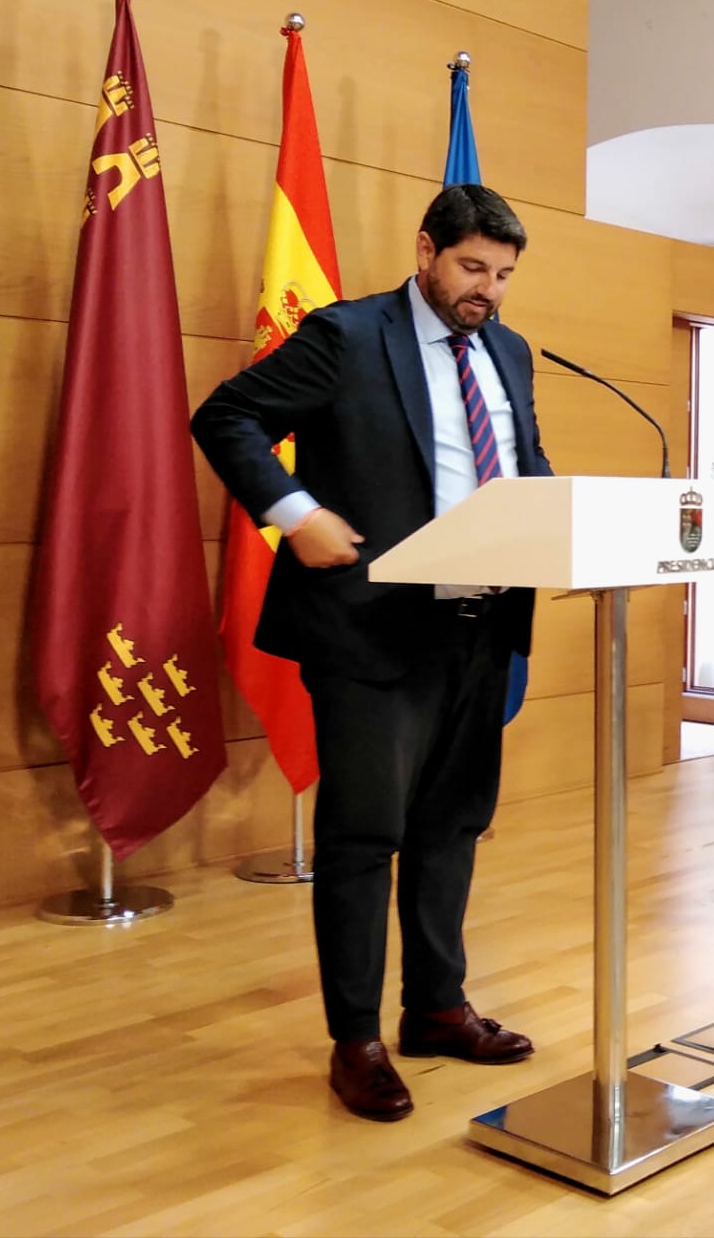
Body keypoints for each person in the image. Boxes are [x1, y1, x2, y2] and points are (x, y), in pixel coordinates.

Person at [191, 184, 550, 1122]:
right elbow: (225, 416)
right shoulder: (348, 335)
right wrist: (294, 512)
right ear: (427, 249)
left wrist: (557, 524)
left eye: (504, 275)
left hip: (479, 626)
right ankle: (355, 1038)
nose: (488, 292)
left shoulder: (508, 351)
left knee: (452, 826)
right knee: (364, 837)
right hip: (371, 629)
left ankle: (436, 1005)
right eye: (473, 268)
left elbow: (525, 467)